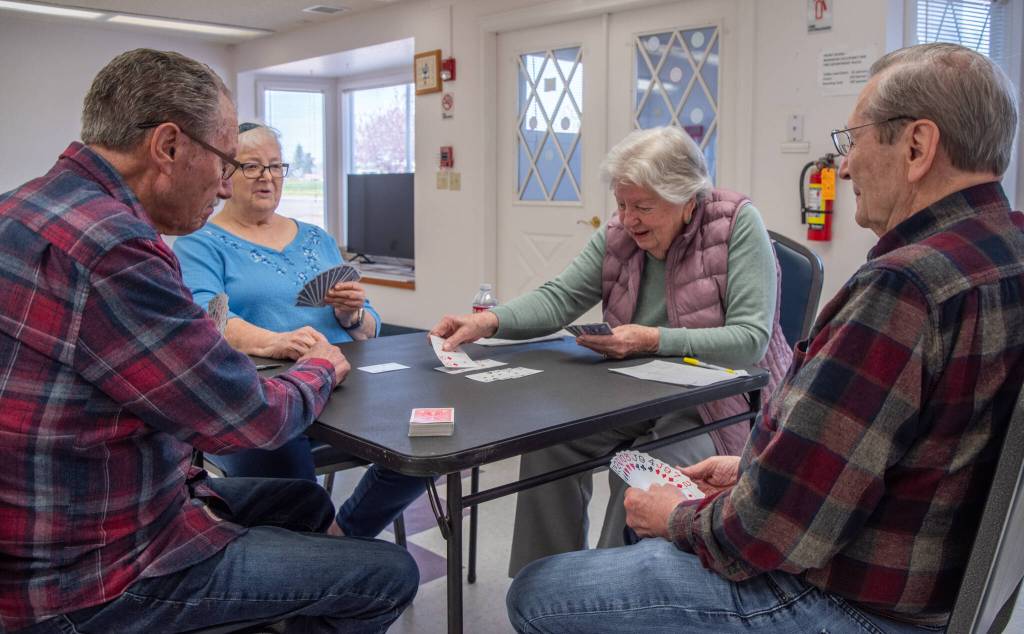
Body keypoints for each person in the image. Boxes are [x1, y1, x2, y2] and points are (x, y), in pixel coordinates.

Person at [506, 42, 1024, 633]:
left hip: (845, 603)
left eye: (851, 141)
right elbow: (873, 455)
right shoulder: (1004, 253)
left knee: (540, 592)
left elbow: (773, 530)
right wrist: (752, 467)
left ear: (916, 146)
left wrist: (678, 518)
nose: (844, 166)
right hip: (928, 589)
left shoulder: (902, 289)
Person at [0, 49, 417, 634]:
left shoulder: (22, 207)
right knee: (388, 572)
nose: (226, 187)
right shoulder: (117, 249)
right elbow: (247, 418)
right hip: (98, 568)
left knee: (305, 504)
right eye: (228, 163)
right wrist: (320, 366)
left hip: (72, 516)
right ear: (168, 146)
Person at [431, 125, 792, 575]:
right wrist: (488, 321)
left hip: (719, 400)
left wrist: (652, 339)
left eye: (643, 207)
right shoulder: (622, 233)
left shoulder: (736, 224)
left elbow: (749, 340)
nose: (628, 219)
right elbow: (560, 296)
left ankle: (598, 597)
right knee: (550, 444)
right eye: (622, 204)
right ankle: (540, 590)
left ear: (687, 199)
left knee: (636, 474)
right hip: (635, 390)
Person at [173, 122, 426, 538]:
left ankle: (343, 537)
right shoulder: (199, 243)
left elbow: (370, 322)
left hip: (344, 386)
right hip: (260, 396)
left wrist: (352, 316)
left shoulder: (316, 238)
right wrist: (277, 343)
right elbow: (208, 320)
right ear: (224, 174)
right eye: (251, 166)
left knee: (428, 439)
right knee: (286, 468)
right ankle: (316, 544)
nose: (266, 177)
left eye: (275, 166)